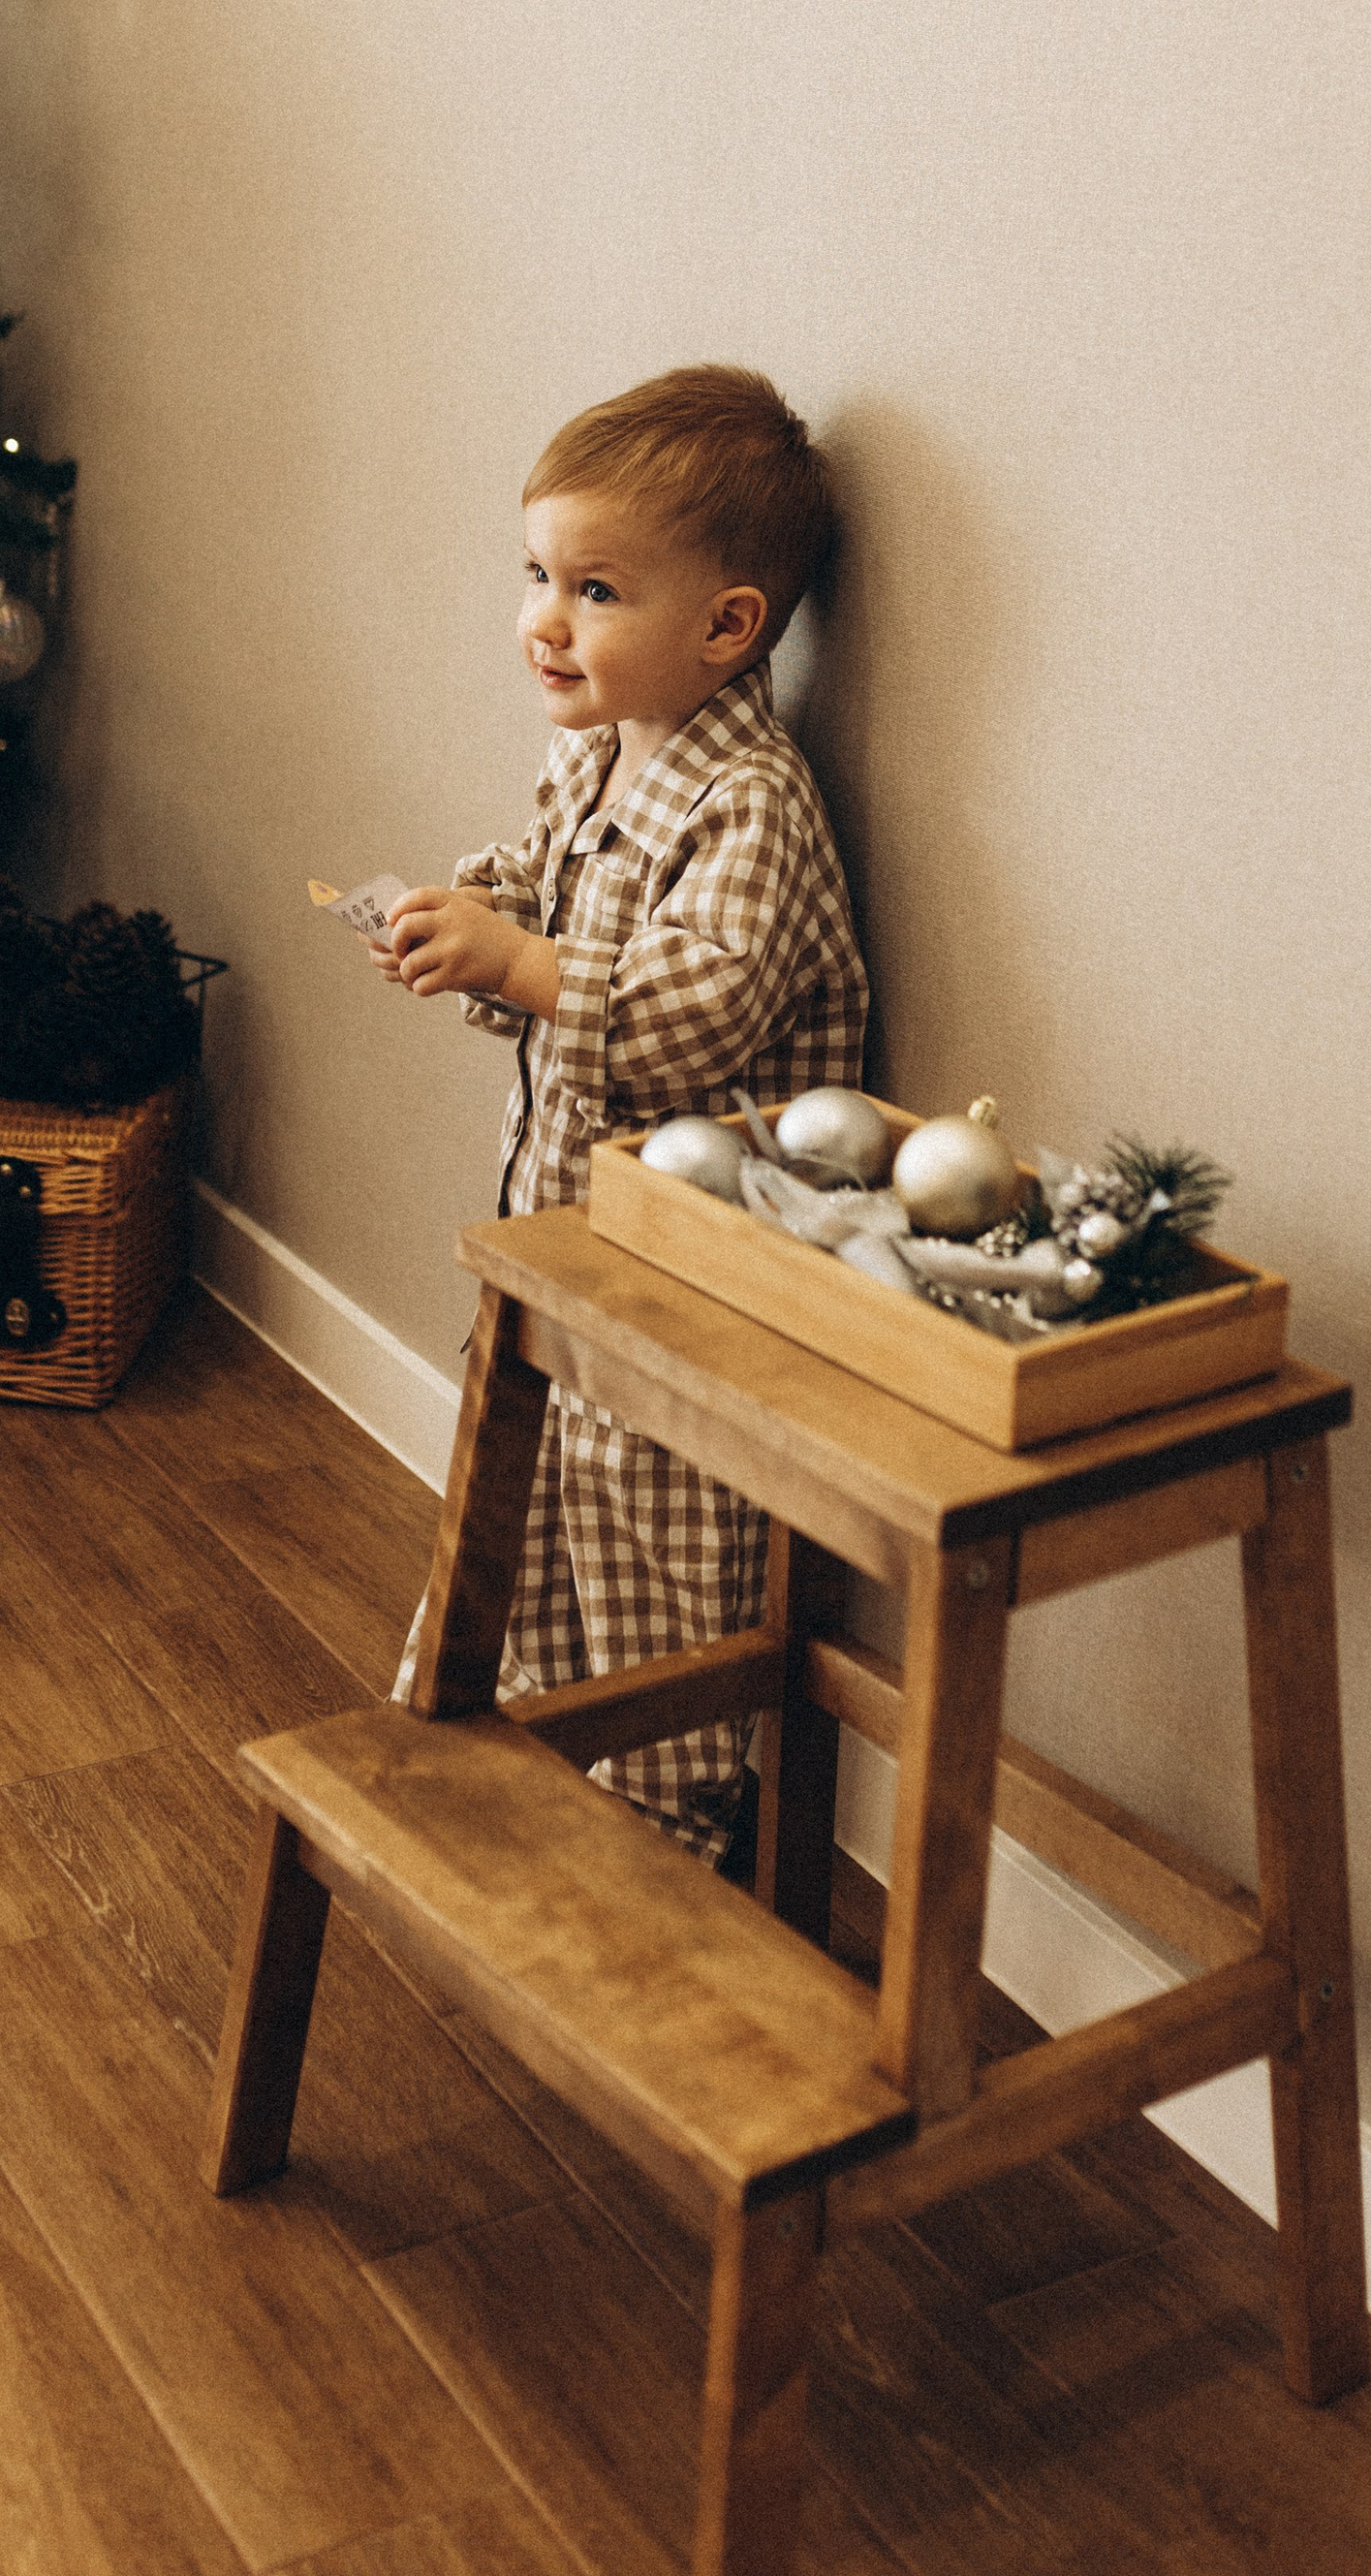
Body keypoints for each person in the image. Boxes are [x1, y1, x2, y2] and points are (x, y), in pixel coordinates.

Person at [378, 362, 868, 1860]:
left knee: (654, 1519)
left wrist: (517, 963)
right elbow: (541, 877)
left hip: (694, 1276)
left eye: (593, 590)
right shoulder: (597, 750)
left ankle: (667, 1809)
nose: (546, 619)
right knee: (532, 1492)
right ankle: (527, 1733)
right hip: (571, 1232)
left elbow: (686, 1011)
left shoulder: (754, 802)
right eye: (537, 575)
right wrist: (473, 915)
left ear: (727, 627)